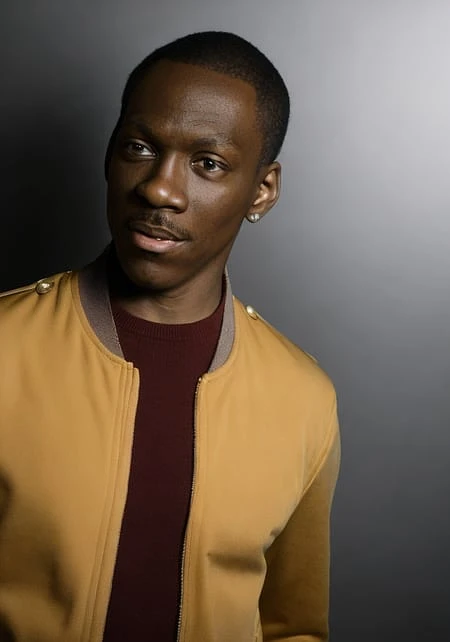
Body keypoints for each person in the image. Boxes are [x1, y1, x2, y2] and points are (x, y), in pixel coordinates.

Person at [0, 31, 340, 642]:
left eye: (208, 163)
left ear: (262, 190)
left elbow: (293, 627)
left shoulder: (304, 399)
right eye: (139, 147)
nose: (159, 188)